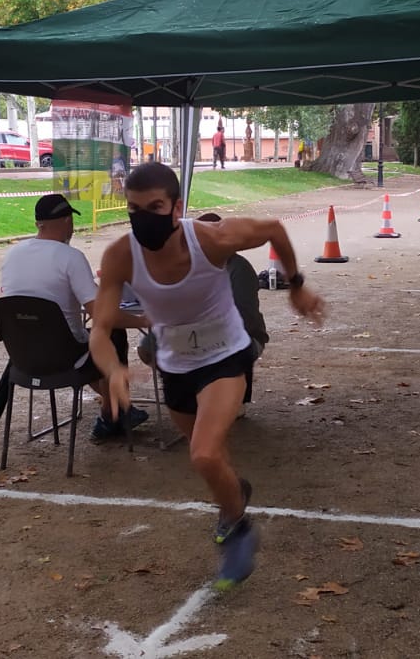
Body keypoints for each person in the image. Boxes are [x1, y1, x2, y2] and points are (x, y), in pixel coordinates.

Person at [90, 163, 324, 590]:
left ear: (177, 207)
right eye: (133, 208)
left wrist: (296, 285)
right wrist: (113, 369)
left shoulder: (212, 240)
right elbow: (101, 329)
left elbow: (273, 227)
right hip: (175, 365)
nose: (143, 217)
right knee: (213, 460)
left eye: (155, 207)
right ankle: (235, 494)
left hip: (225, 357)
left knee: (202, 453)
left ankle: (239, 530)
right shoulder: (121, 255)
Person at [0, 193, 149, 441]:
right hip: (64, 355)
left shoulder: (13, 254)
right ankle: (115, 413)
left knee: (91, 345)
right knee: (112, 336)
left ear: (39, 223)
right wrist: (144, 320)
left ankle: (115, 412)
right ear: (68, 221)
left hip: (21, 355)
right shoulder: (70, 257)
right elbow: (102, 316)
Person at [137, 212, 268, 417]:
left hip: (236, 336)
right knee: (149, 347)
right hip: (192, 335)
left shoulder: (238, 270)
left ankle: (226, 394)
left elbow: (245, 321)